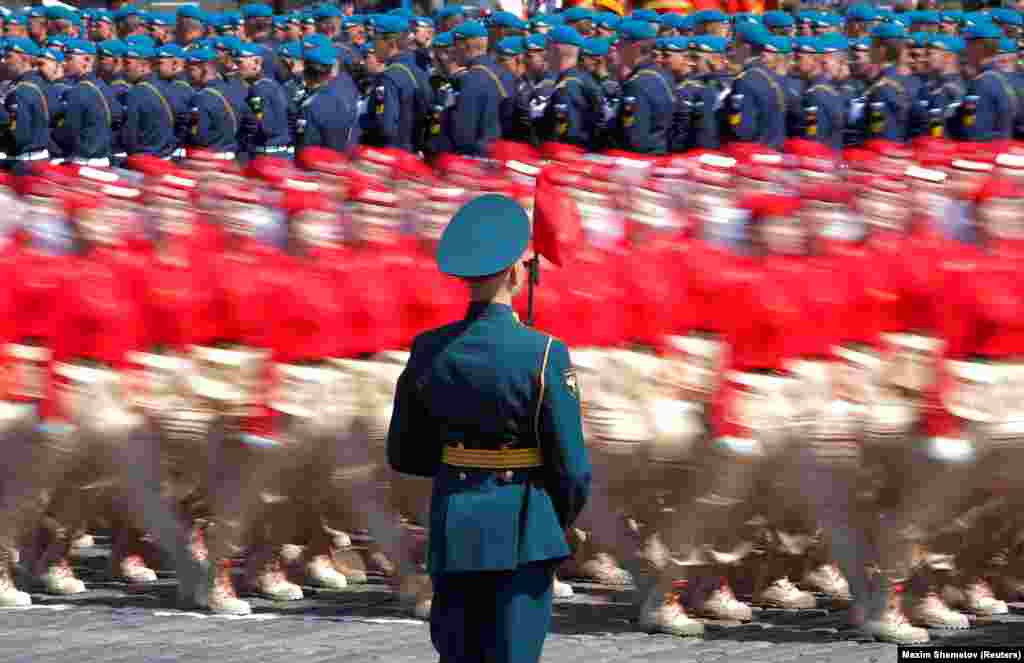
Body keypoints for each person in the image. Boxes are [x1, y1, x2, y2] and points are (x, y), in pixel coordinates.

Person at [388, 194, 591, 663]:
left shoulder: (429, 348)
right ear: (517, 273)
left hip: (454, 522)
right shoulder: (544, 353)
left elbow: (405, 454)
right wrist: (557, 523)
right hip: (524, 527)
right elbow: (573, 470)